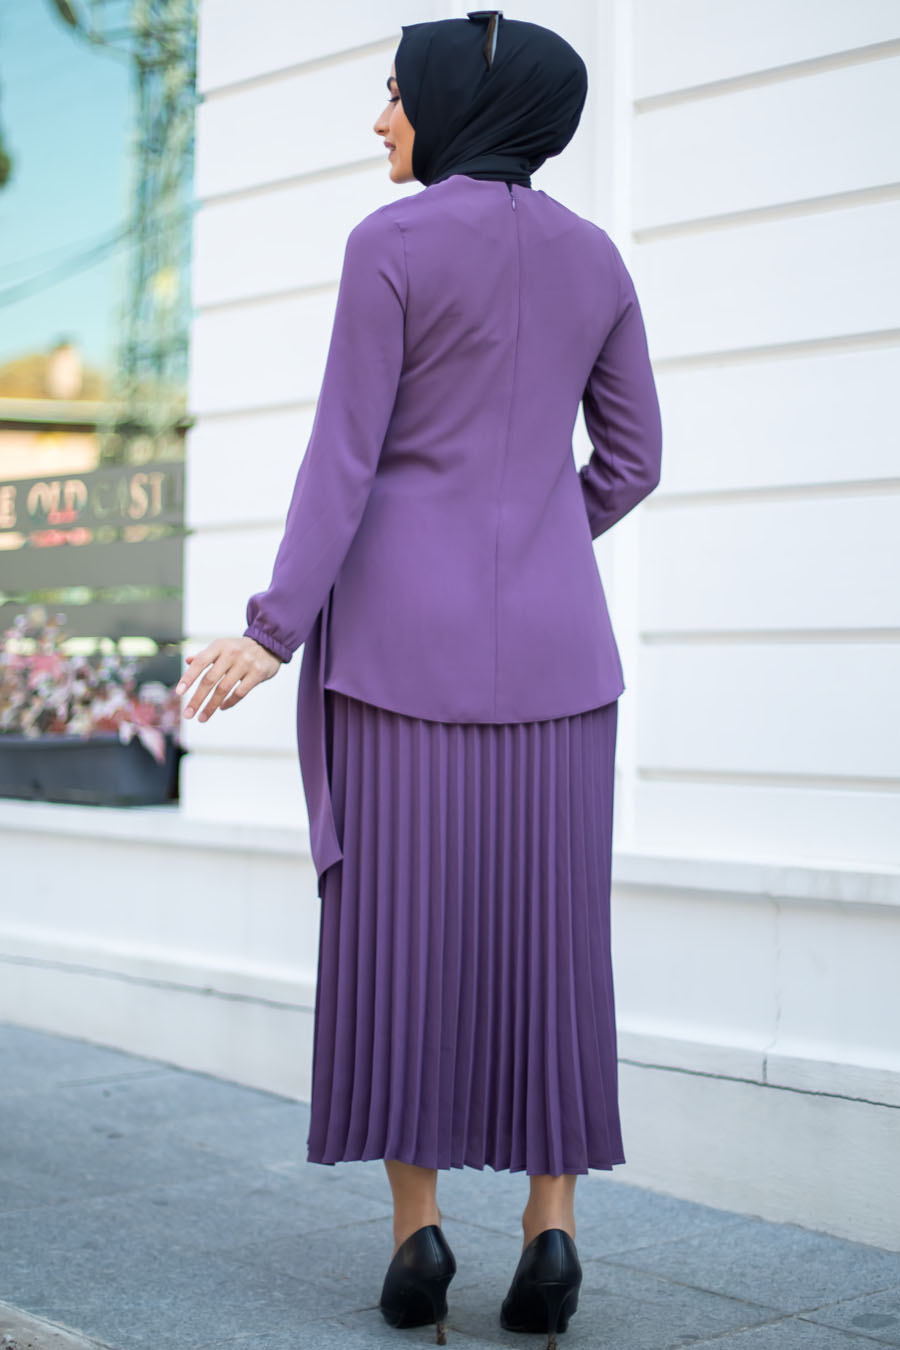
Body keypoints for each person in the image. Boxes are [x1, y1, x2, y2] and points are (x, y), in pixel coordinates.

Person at [175, 11, 662, 1346]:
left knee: (403, 946)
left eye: (394, 95)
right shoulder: (597, 258)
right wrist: (532, 537)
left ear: (451, 105)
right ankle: (552, 1230)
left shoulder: (388, 245)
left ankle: (417, 1234)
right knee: (553, 950)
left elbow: (345, 456)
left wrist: (271, 628)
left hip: (397, 658)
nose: (379, 118)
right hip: (566, 667)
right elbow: (631, 463)